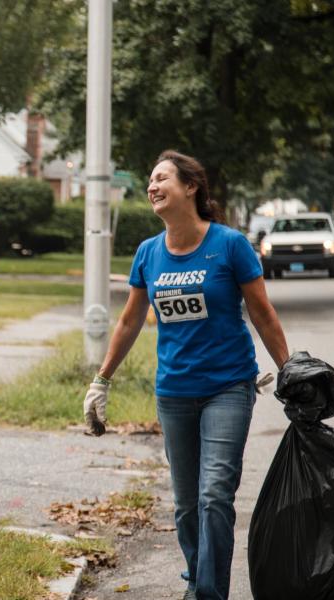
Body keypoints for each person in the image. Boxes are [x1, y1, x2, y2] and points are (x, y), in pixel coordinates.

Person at [82, 150, 289, 600]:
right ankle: (199, 578)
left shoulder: (229, 245)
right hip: (173, 392)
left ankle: (207, 594)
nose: (152, 187)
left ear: (190, 187)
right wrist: (102, 379)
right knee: (186, 505)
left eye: (162, 179)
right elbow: (130, 321)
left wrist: (288, 369)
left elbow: (263, 314)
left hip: (228, 387)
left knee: (215, 493)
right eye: (150, 181)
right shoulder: (148, 252)